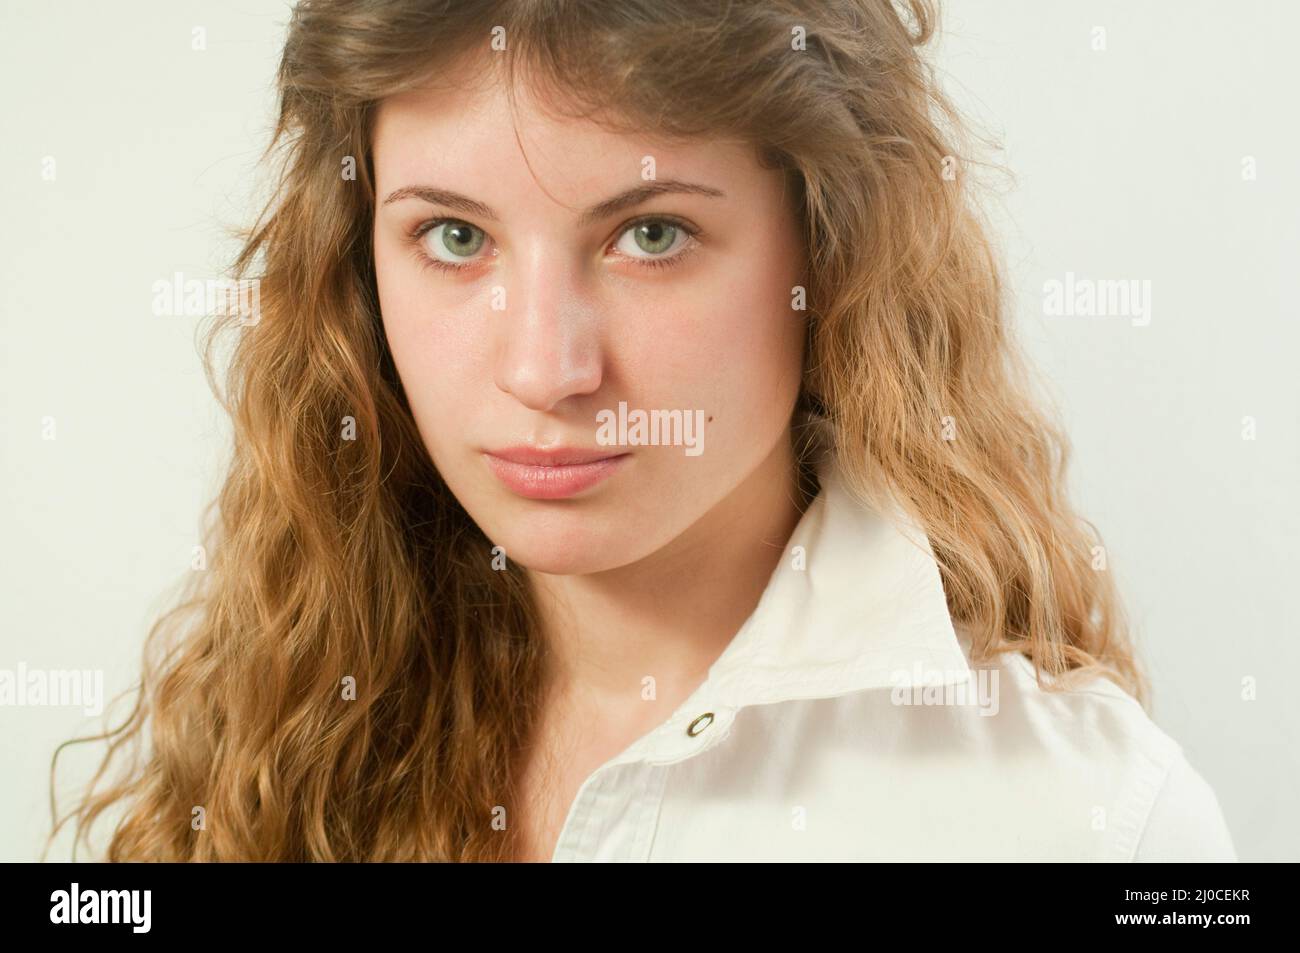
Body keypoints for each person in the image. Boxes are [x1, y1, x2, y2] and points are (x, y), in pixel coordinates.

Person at [50, 0, 1235, 862]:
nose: (545, 368)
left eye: (650, 234)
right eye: (454, 238)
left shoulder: (1094, 823)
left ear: (825, 253)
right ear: (360, 266)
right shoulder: (281, 718)